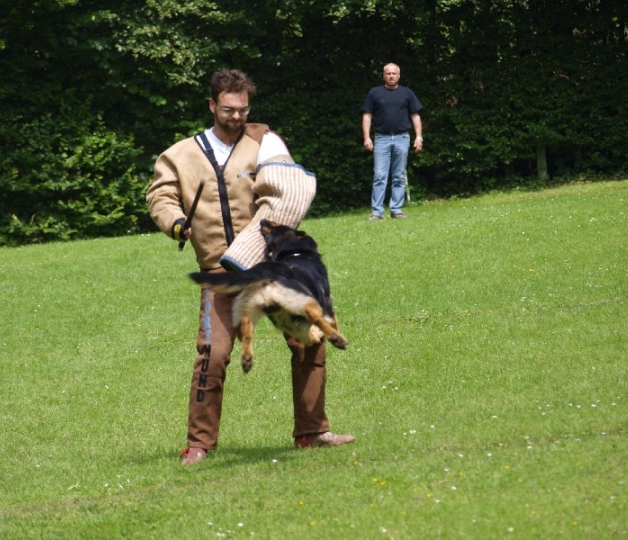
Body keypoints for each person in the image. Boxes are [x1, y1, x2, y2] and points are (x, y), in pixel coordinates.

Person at [146, 69, 355, 466]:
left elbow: (287, 185)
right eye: (228, 109)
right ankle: (199, 444)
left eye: (243, 109)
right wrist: (175, 222)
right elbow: (160, 196)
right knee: (214, 354)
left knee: (310, 339)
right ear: (211, 105)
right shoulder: (180, 155)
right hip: (221, 275)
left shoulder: (261, 145)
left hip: (270, 269)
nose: (236, 117)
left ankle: (312, 432)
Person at [361, 63, 424, 220]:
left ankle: (396, 210)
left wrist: (419, 136)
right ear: (383, 75)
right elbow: (367, 116)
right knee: (379, 175)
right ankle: (377, 212)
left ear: (399, 75)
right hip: (381, 138)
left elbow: (415, 115)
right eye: (388, 73)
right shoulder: (374, 93)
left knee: (399, 176)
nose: (391, 76)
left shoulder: (407, 93)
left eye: (394, 73)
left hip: (402, 138)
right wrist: (367, 137)